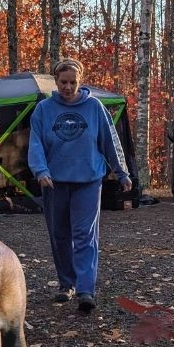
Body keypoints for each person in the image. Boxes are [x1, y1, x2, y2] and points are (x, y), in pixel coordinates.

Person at [28, 58, 133, 313]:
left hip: (88, 180)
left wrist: (122, 173)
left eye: (73, 82)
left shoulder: (95, 107)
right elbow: (36, 143)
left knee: (84, 235)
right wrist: (40, 170)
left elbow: (110, 141)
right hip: (54, 182)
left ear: (80, 81)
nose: (68, 86)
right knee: (60, 235)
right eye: (63, 82)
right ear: (55, 81)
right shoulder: (43, 109)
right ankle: (67, 284)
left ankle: (86, 290)